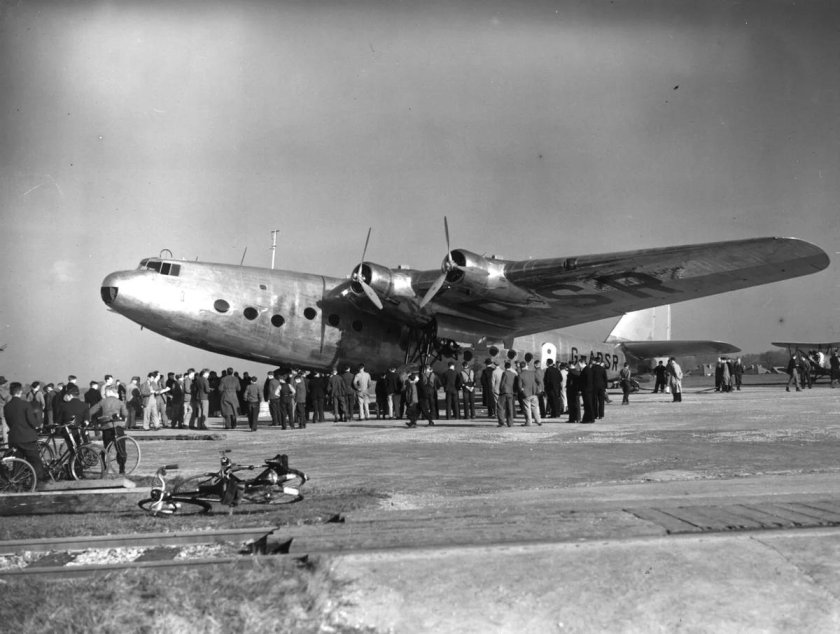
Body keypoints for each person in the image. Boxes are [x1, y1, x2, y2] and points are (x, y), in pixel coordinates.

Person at [3, 381, 47, 482]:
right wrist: (37, 424)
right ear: (20, 392)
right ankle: (39, 482)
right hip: (27, 438)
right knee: (35, 460)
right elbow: (32, 422)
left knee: (17, 463)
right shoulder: (25, 404)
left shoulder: (7, 407)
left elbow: (9, 423)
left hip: (13, 438)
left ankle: (16, 482)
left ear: (11, 392)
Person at [89, 387, 129, 473]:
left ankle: (104, 467)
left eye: (105, 392)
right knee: (121, 448)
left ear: (109, 392)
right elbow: (125, 414)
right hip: (118, 427)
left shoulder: (103, 401)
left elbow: (91, 411)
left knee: (106, 448)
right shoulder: (119, 402)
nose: (104, 394)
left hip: (106, 427)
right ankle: (122, 469)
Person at [517, 361, 542, 426]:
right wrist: (537, 388)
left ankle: (529, 422)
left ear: (521, 367)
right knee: (535, 407)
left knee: (527, 409)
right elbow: (539, 381)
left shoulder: (520, 375)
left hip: (526, 394)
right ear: (526, 366)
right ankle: (538, 421)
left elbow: (519, 386)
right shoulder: (533, 372)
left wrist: (522, 391)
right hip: (534, 393)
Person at [497, 361, 517, 427]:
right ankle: (510, 422)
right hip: (511, 392)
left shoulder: (505, 373)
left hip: (504, 391)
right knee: (510, 408)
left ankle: (501, 422)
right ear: (510, 367)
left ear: (505, 367)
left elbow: (502, 383)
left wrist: (500, 390)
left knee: (500, 406)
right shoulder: (513, 374)